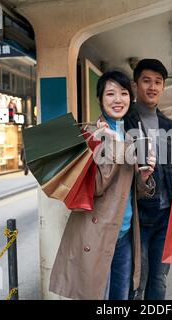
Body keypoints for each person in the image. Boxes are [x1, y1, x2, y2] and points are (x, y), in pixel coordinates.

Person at [49, 70, 156, 300]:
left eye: (124, 93)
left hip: (125, 234)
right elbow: (95, 187)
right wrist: (116, 148)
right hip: (97, 234)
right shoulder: (89, 135)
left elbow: (127, 190)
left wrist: (144, 177)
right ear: (99, 99)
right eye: (110, 94)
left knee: (121, 297)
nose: (118, 100)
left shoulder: (130, 135)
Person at [123, 59, 172, 300]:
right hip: (137, 218)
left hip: (165, 218)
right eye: (146, 81)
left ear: (163, 87)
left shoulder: (168, 125)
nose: (152, 86)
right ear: (136, 85)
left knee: (159, 281)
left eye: (158, 82)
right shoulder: (125, 120)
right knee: (137, 282)